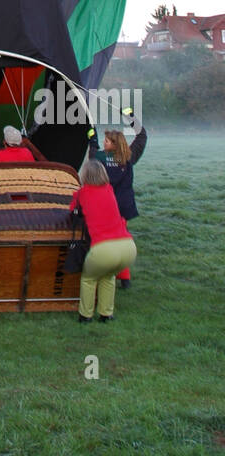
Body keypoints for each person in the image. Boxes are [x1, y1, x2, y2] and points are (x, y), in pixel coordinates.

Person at [69, 158, 136, 323]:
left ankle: (85, 316)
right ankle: (106, 314)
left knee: (89, 279)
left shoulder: (83, 193)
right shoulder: (109, 189)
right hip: (128, 247)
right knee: (108, 277)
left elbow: (73, 211)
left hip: (104, 248)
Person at [90, 109, 147, 287]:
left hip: (105, 207)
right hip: (123, 207)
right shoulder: (128, 157)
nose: (104, 143)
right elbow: (142, 136)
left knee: (102, 239)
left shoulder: (99, 158)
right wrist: (130, 116)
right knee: (121, 238)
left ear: (113, 145)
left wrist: (91, 135)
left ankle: (101, 272)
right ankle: (125, 278)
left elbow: (93, 151)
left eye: (107, 141)